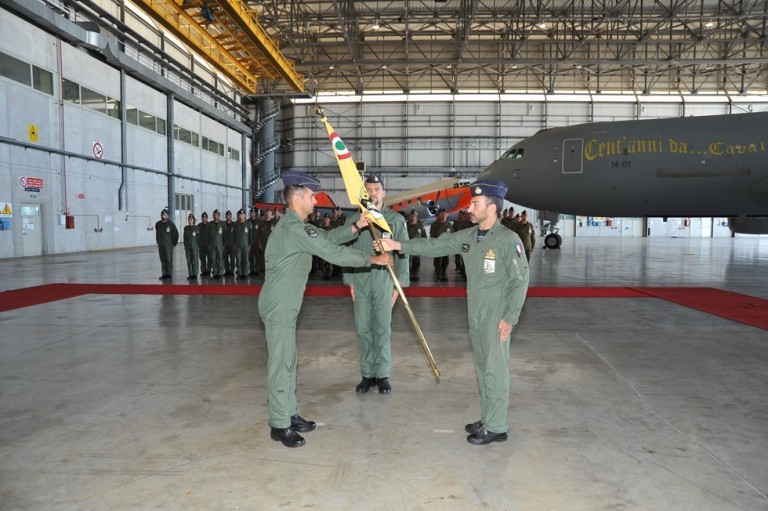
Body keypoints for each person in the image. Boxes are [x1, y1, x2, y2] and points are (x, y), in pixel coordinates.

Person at [378, 179, 529, 446]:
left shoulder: (509, 240)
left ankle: (497, 426)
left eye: (475, 203)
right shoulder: (470, 236)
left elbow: (520, 281)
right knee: (482, 367)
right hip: (475, 310)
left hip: (496, 312)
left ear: (491, 207)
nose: (470, 207)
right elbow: (434, 246)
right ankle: (488, 417)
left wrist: (510, 317)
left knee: (495, 368)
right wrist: (398, 246)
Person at [258, 170, 392, 448]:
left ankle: (288, 411)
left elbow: (326, 240)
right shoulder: (294, 229)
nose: (315, 201)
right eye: (311, 195)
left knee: (289, 360)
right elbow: (331, 253)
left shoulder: (299, 227)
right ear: (297, 198)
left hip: (285, 302)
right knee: (281, 362)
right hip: (279, 303)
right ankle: (279, 424)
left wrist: (357, 226)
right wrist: (372, 259)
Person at [342, 173, 410, 394]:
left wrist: (398, 285)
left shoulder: (395, 220)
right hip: (361, 279)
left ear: (384, 192)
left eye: (376, 189)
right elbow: (346, 251)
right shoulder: (355, 221)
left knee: (382, 329)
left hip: (384, 280)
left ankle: (382, 375)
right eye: (368, 190)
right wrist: (349, 280)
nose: (372, 193)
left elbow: (403, 253)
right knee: (363, 328)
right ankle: (367, 375)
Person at [155, 208, 179, 280]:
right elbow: (157, 234)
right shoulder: (158, 224)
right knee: (163, 260)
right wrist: (158, 242)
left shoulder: (171, 224)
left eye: (164, 215)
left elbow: (176, 234)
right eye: (162, 215)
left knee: (168, 260)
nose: (163, 216)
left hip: (168, 245)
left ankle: (169, 274)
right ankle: (164, 274)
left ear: (167, 216)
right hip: (161, 245)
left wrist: (174, 244)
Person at [429, 208, 452, 281]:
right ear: (439, 215)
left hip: (446, 246)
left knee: (446, 261)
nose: (443, 216)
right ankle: (438, 274)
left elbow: (453, 235)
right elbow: (432, 235)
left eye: (444, 214)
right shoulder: (434, 224)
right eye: (442, 214)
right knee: (437, 261)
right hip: (437, 245)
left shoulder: (450, 225)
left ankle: (444, 273)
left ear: (447, 215)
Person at [405, 210, 427, 281]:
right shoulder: (405, 225)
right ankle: (408, 274)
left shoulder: (420, 225)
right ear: (409, 217)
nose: (413, 218)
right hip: (407, 247)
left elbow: (424, 235)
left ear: (416, 217)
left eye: (414, 216)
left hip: (417, 247)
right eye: (411, 216)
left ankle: (415, 274)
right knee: (408, 261)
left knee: (416, 261)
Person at [234, 209, 250, 279]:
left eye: (242, 215)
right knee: (238, 259)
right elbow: (232, 235)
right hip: (237, 245)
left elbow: (250, 235)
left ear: (245, 215)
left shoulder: (248, 224)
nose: (241, 216)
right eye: (239, 215)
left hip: (246, 244)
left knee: (246, 259)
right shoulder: (235, 224)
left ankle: (245, 273)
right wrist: (234, 244)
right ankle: (239, 273)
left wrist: (250, 244)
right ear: (238, 216)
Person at [209, 209, 225, 279]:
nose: (216, 216)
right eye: (214, 214)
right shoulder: (210, 224)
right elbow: (208, 235)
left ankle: (220, 274)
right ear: (213, 216)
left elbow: (225, 235)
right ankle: (215, 273)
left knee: (220, 259)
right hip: (212, 245)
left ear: (219, 216)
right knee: (213, 259)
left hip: (220, 245)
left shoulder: (222, 224)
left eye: (217, 215)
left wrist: (224, 245)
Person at [183, 213, 200, 280]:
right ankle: (191, 274)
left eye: (191, 219)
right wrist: (185, 245)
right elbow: (184, 237)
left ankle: (195, 274)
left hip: (194, 247)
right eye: (189, 219)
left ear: (193, 220)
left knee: (195, 260)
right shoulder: (186, 228)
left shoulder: (196, 228)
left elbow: (199, 238)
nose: (190, 220)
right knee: (189, 260)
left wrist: (198, 246)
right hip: (188, 247)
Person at [198, 212, 212, 277]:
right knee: (202, 259)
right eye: (203, 217)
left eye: (205, 217)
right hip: (201, 246)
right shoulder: (199, 226)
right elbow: (197, 236)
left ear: (207, 218)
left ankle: (208, 271)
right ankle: (203, 271)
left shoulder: (210, 225)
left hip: (208, 245)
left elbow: (212, 236)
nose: (204, 219)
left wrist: (210, 245)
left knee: (209, 259)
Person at [248, 208, 261, 276]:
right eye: (250, 213)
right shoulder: (247, 222)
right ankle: (251, 270)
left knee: (257, 257)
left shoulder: (259, 222)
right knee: (250, 257)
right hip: (250, 243)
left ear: (255, 213)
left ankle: (257, 270)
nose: (251, 214)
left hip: (256, 242)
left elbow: (260, 233)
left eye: (253, 213)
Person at [223, 210, 236, 276]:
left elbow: (236, 235)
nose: (228, 216)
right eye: (227, 215)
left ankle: (232, 271)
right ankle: (226, 271)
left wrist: (235, 244)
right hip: (225, 245)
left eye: (229, 215)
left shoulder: (234, 225)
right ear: (225, 216)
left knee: (232, 258)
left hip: (232, 245)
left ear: (231, 216)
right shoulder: (223, 224)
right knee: (225, 258)